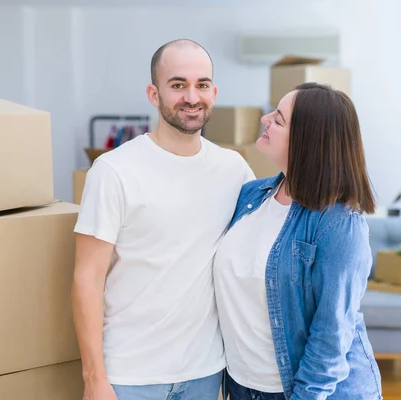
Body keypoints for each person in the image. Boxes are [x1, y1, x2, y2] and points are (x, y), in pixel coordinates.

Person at [71, 39, 255, 400]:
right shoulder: (113, 171)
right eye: (177, 85)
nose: (191, 96)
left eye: (201, 84)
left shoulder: (235, 170)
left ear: (213, 92)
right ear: (153, 94)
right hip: (130, 375)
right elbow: (87, 277)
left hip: (206, 373)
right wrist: (94, 379)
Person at [213, 82, 383, 399]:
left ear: (307, 142)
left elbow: (331, 333)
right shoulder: (251, 195)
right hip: (244, 387)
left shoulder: (340, 223)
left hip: (313, 392)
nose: (264, 119)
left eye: (278, 120)